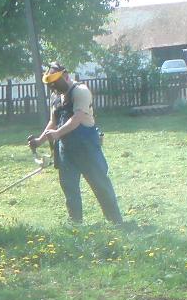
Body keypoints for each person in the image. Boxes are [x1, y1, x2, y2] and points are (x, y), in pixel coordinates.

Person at [27, 62, 123, 225]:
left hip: (86, 148)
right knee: (69, 187)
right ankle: (76, 223)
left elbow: (77, 118)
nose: (54, 88)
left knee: (100, 184)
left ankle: (116, 222)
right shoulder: (55, 97)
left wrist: (57, 133)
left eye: (56, 84)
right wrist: (39, 141)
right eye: (51, 86)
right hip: (66, 150)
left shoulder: (80, 92)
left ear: (65, 76)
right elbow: (53, 122)